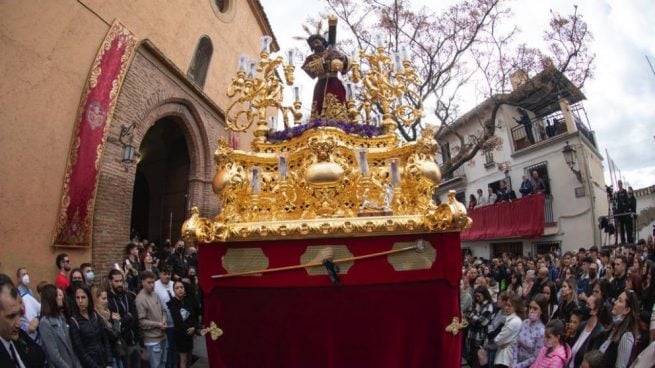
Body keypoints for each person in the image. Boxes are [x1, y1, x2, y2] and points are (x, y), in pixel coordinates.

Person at [301, 16, 349, 121]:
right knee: (319, 109)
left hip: (335, 84)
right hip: (321, 85)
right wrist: (325, 57)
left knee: (338, 107)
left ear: (323, 42)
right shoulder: (311, 58)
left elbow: (345, 69)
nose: (315, 44)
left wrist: (342, 59)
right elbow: (310, 70)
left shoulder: (333, 53)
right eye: (313, 43)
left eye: (317, 42)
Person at [0, 274, 47, 368]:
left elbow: (40, 355)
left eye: (19, 314)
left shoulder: (17, 336)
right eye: (11, 316)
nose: (18, 323)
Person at [38, 284, 82, 368]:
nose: (61, 297)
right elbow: (54, 355)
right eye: (58, 295)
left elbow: (71, 348)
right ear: (52, 298)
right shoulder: (45, 323)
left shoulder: (61, 317)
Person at [69, 285, 112, 368]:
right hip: (90, 364)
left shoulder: (95, 315)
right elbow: (80, 351)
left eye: (83, 297)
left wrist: (109, 362)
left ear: (89, 298)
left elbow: (105, 339)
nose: (80, 301)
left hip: (104, 360)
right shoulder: (74, 321)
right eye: (77, 298)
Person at [594, 290, 639, 368]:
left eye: (620, 301)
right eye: (617, 299)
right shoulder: (612, 328)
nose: (615, 302)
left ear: (626, 310)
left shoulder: (627, 336)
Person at [107, 269, 141, 368]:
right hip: (122, 344)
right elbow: (114, 323)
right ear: (110, 282)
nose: (119, 284)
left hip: (135, 340)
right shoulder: (108, 300)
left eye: (121, 281)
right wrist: (127, 317)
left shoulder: (128, 296)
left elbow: (135, 316)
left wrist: (125, 320)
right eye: (116, 281)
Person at [136, 271, 167, 368]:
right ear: (143, 282)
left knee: (163, 364)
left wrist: (164, 320)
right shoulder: (140, 299)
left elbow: (163, 310)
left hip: (162, 336)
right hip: (152, 340)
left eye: (153, 282)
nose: (152, 285)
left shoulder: (155, 295)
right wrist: (158, 324)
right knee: (156, 366)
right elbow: (141, 322)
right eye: (149, 282)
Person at [167, 281, 198, 368]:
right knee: (183, 359)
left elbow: (193, 316)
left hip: (190, 334)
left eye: (181, 287)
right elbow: (178, 321)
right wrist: (190, 328)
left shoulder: (187, 301)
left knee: (189, 358)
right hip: (181, 334)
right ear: (173, 290)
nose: (180, 289)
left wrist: (194, 328)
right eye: (177, 288)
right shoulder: (172, 303)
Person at [512, 294, 547, 368]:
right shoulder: (525, 322)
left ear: (542, 311)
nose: (531, 311)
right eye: (530, 307)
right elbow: (516, 343)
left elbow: (535, 356)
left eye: (535, 309)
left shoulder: (542, 331)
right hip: (515, 361)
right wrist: (514, 362)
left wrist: (518, 366)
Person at [93, 286, 125, 368]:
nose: (106, 301)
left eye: (106, 298)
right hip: (109, 356)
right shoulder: (98, 317)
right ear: (96, 299)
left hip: (116, 351)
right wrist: (116, 322)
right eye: (103, 299)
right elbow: (114, 335)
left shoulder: (107, 313)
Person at [569, 295, 604, 368]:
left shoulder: (599, 332)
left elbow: (591, 360)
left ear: (595, 310)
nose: (585, 307)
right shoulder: (582, 325)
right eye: (586, 304)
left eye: (588, 305)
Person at [154, 267, 177, 368]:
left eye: (169, 274)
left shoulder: (173, 284)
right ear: (160, 274)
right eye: (165, 274)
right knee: (166, 349)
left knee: (175, 348)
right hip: (164, 324)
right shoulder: (155, 286)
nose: (167, 276)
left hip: (176, 322)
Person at [493, 295, 523, 368]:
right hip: (503, 357)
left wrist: (501, 343)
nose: (506, 308)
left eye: (509, 306)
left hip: (505, 359)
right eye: (506, 305)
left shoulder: (514, 322)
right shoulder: (511, 319)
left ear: (516, 307)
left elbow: (497, 340)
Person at [16, 267, 40, 340]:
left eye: (27, 274)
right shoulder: (19, 292)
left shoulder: (30, 291)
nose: (26, 276)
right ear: (19, 279)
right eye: (23, 274)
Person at [614, 180, 632, 245]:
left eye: (620, 184)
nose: (619, 185)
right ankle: (623, 240)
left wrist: (626, 210)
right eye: (618, 184)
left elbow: (627, 201)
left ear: (621, 184)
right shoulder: (618, 193)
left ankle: (629, 240)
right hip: (620, 213)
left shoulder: (624, 191)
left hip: (625, 212)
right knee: (621, 227)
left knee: (627, 227)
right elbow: (617, 202)